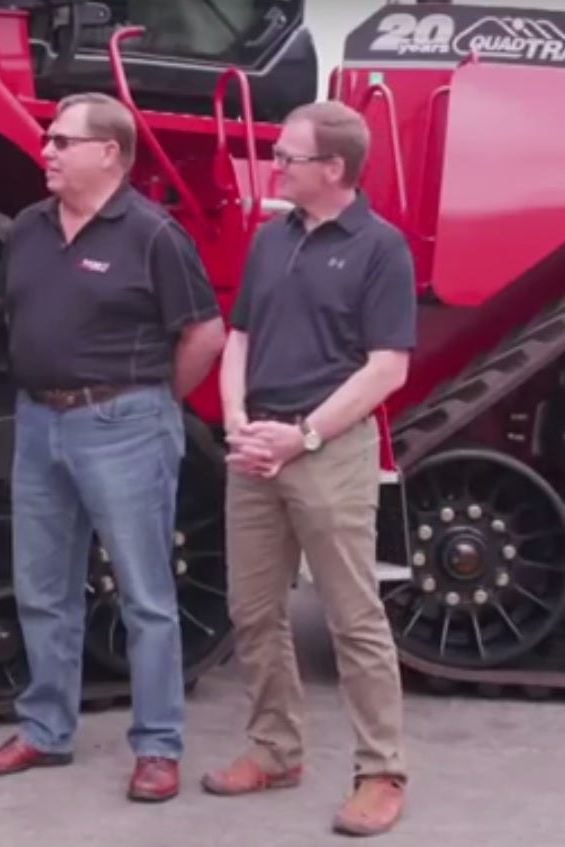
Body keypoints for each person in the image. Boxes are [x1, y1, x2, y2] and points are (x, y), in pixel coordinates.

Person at [0, 92, 227, 803]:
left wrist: (151, 400)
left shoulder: (151, 235)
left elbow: (204, 331)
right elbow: (13, 313)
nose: (45, 151)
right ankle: (44, 728)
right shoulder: (27, 229)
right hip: (39, 423)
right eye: (48, 140)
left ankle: (158, 745)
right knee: (43, 588)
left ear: (108, 153)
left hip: (124, 424)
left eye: (60, 141)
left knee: (144, 593)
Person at [201, 100, 415, 837]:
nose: (276, 165)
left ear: (333, 168)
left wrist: (303, 437)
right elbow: (239, 337)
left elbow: (387, 368)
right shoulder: (271, 239)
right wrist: (235, 422)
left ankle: (380, 771)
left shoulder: (381, 248)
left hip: (327, 451)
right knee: (252, 611)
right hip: (256, 444)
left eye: (288, 156)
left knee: (353, 617)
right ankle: (275, 749)